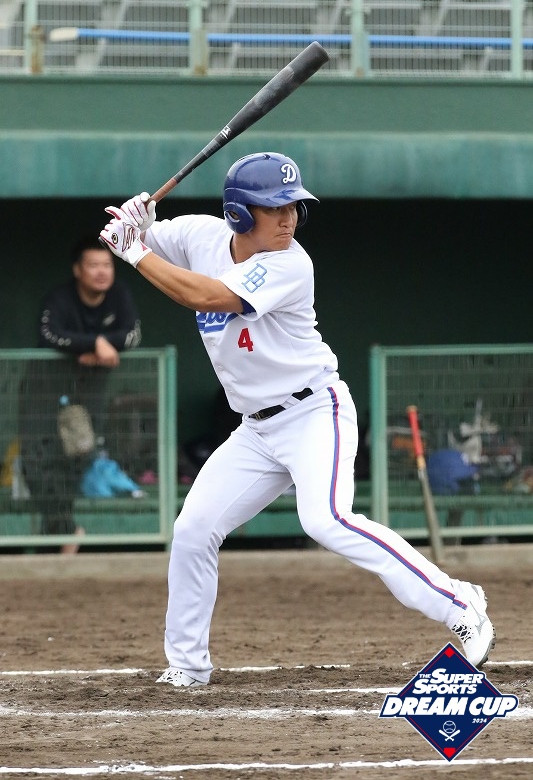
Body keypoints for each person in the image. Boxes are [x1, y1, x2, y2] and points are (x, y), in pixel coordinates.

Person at [99, 151, 496, 686]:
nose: (289, 218)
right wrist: (138, 222)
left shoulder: (290, 263)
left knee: (326, 519)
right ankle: (188, 666)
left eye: (294, 206)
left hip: (313, 412)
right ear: (239, 213)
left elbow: (203, 294)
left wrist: (134, 250)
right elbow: (145, 236)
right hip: (256, 429)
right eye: (275, 208)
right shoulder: (199, 234)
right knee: (193, 530)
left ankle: (459, 603)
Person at [19, 236, 141, 554]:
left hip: (87, 392)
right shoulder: (60, 298)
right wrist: (93, 344)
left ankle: (63, 534)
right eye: (93, 265)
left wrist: (98, 345)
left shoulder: (118, 295)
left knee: (77, 456)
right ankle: (64, 531)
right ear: (78, 270)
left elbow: (132, 334)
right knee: (36, 460)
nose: (101, 272)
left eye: (107, 265)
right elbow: (48, 334)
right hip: (44, 391)